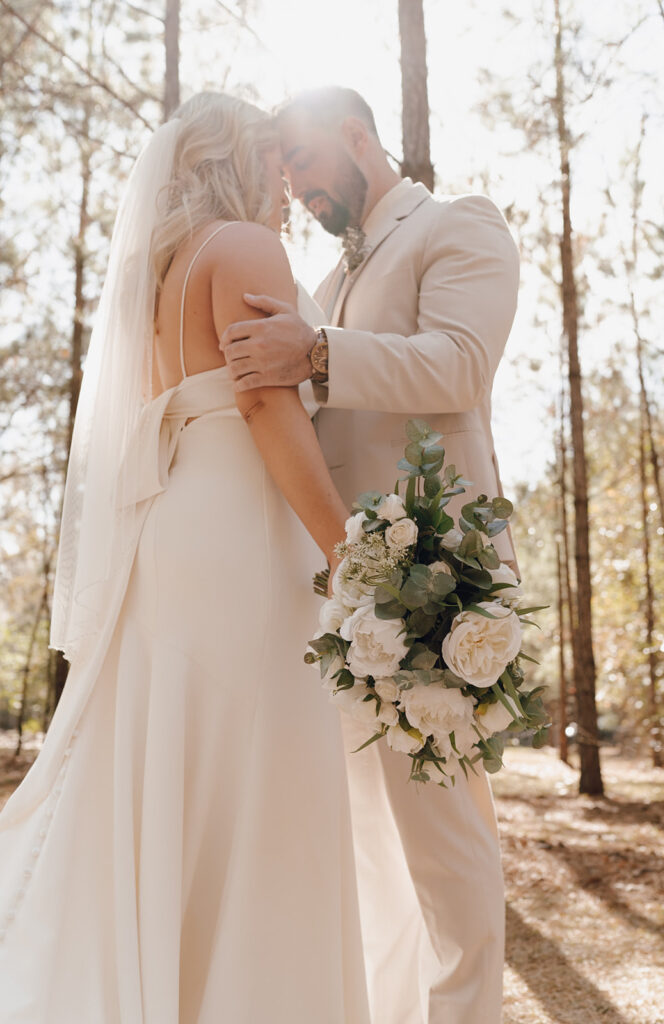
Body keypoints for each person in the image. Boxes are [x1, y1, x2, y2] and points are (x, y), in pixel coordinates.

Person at [0, 92, 370, 1023]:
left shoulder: (165, 269)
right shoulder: (243, 247)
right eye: (273, 162)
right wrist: (353, 555)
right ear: (237, 164)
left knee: (183, 764)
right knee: (260, 780)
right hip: (238, 536)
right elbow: (263, 404)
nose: (286, 185)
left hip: (178, 528)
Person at [220, 86, 521, 1024]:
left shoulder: (456, 224)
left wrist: (312, 353)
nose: (294, 185)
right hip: (348, 587)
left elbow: (459, 363)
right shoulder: (342, 274)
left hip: (436, 576)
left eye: (304, 161)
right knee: (368, 844)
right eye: (284, 173)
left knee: (443, 832)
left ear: (358, 137)